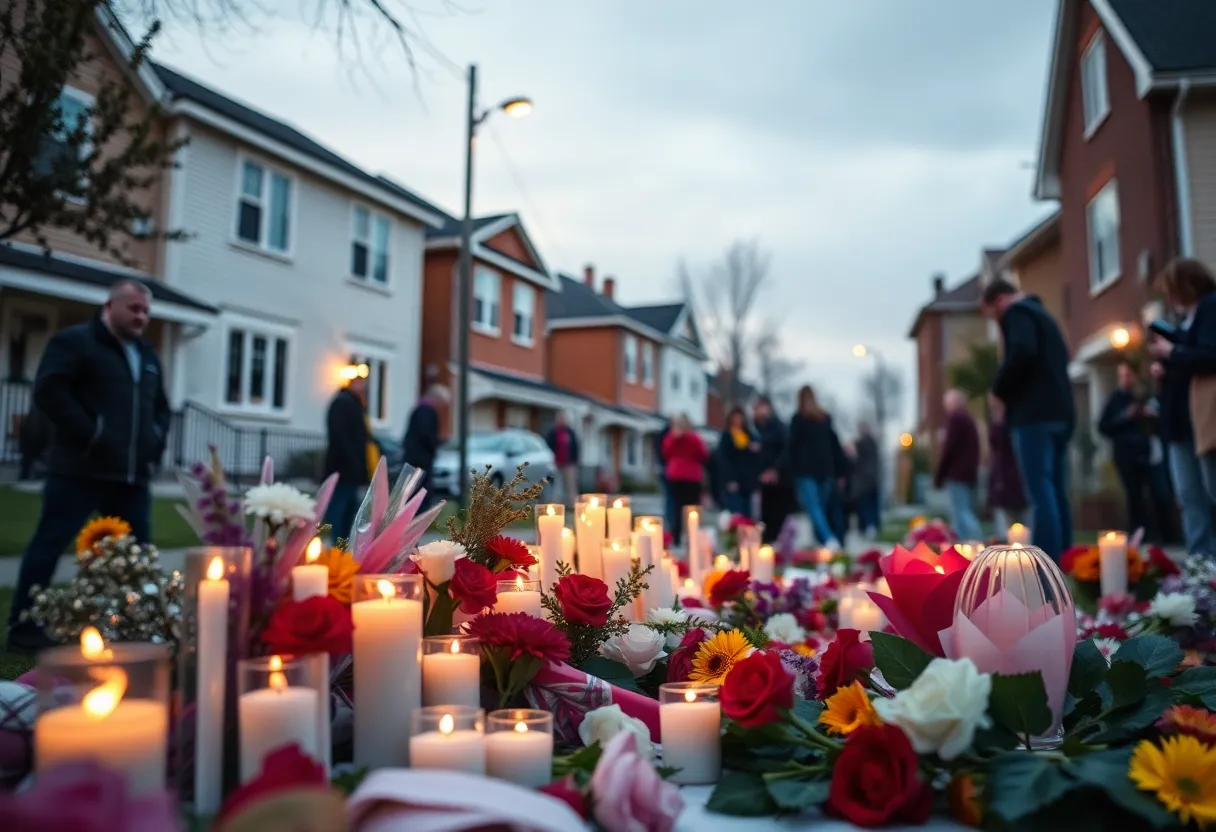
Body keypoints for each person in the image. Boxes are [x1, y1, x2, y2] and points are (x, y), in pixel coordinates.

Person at [8, 279, 170, 653]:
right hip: (78, 470)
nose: (141, 317)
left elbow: (161, 407)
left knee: (139, 555)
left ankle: (138, 622)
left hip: (130, 477)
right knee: (49, 544)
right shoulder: (76, 342)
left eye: (145, 311)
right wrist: (91, 433)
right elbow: (50, 390)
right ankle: (23, 625)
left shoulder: (146, 355)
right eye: (134, 308)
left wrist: (154, 439)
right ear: (110, 306)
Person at [982, 278, 1075, 559]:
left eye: (992, 315)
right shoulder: (1044, 317)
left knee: (1040, 492)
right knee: (1056, 491)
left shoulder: (1017, 313)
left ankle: (1047, 564)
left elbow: (1023, 351)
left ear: (999, 300)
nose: (996, 322)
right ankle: (1065, 560)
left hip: (1034, 416)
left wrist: (998, 388)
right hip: (1060, 413)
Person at [1149, 257, 1216, 552]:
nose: (1170, 298)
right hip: (1180, 421)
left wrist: (1172, 351)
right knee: (1189, 496)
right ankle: (1201, 568)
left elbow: (1208, 356)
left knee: (1208, 493)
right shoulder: (1190, 319)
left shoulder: (1211, 307)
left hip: (1203, 420)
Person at [1098, 362, 1175, 543]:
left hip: (1148, 453)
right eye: (1121, 375)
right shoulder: (1116, 399)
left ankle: (1166, 535)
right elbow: (1103, 426)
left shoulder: (1145, 396)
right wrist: (1125, 416)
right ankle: (1139, 534)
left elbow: (1162, 421)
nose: (1125, 379)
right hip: (1126, 454)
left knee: (1159, 492)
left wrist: (1151, 416)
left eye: (1128, 375)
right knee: (1134, 495)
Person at [786, 385, 848, 550]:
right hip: (825, 470)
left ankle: (828, 539)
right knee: (820, 508)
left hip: (806, 471)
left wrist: (785, 470)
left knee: (814, 508)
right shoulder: (824, 419)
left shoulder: (798, 420)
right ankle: (823, 544)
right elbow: (835, 447)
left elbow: (791, 447)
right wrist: (841, 470)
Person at [323, 375, 371, 540]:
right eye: (360, 385)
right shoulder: (342, 403)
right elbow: (339, 437)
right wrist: (353, 463)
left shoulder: (355, 406)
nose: (363, 389)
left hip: (352, 470)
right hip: (342, 469)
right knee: (339, 510)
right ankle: (336, 545)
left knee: (349, 511)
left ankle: (343, 545)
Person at [934, 389, 983, 541]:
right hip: (968, 473)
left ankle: (977, 543)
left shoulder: (956, 420)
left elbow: (949, 449)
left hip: (957, 474)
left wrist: (939, 475)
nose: (946, 406)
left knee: (961, 512)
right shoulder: (969, 420)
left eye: (949, 402)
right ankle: (963, 547)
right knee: (963, 511)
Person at [661, 413, 708, 547]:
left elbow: (665, 453)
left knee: (676, 507)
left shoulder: (669, 438)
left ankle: (676, 537)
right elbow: (702, 454)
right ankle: (692, 535)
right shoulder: (694, 438)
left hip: (675, 475)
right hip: (691, 476)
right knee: (692, 507)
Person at [986, 393, 1027, 535]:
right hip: (1003, 473)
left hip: (1011, 473)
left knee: (1017, 517)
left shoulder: (1010, 422)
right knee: (1005, 517)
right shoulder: (997, 420)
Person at [753, 396, 792, 544]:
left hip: (779, 478)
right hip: (764, 478)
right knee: (766, 514)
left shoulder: (777, 427)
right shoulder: (757, 428)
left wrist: (774, 469)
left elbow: (785, 450)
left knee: (777, 513)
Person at [403, 384, 449, 507]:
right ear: (436, 399)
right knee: (419, 497)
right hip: (420, 462)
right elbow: (426, 435)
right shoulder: (426, 411)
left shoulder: (419, 409)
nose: (441, 409)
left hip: (415, 459)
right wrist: (436, 442)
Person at [716, 406, 760, 517]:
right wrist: (730, 479)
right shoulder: (727, 436)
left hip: (747, 482)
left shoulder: (749, 436)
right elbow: (724, 459)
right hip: (733, 481)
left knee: (748, 514)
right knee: (736, 514)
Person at [545, 411, 581, 505]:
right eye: (559, 418)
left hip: (569, 464)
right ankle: (556, 505)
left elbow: (575, 447)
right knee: (557, 486)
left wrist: (575, 461)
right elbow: (549, 447)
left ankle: (573, 505)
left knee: (571, 485)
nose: (561, 420)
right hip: (556, 463)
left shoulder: (570, 433)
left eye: (563, 418)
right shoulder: (553, 433)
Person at [852, 423, 880, 539]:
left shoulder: (861, 445)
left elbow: (856, 462)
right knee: (872, 505)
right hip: (872, 480)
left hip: (865, 482)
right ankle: (872, 526)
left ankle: (868, 527)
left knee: (866, 506)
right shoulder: (873, 444)